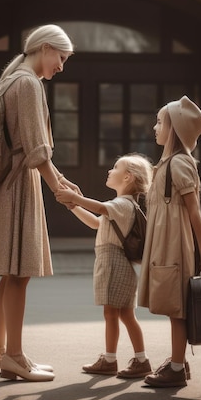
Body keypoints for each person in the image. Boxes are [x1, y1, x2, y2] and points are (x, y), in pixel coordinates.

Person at [0, 24, 80, 382]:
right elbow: (36, 149)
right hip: (20, 185)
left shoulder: (8, 80)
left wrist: (59, 177)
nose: (61, 67)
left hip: (4, 184)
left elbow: (29, 147)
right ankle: (15, 357)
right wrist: (58, 190)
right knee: (19, 274)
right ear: (46, 48)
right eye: (61, 58)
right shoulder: (29, 83)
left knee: (10, 272)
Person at [138, 96, 201, 388]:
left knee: (176, 307)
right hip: (164, 242)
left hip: (175, 243)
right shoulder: (167, 164)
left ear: (173, 130)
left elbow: (194, 212)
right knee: (173, 303)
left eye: (160, 122)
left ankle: (175, 368)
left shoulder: (180, 164)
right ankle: (177, 361)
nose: (155, 126)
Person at [55, 153, 154, 379]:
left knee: (111, 313)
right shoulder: (124, 207)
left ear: (127, 177)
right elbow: (96, 222)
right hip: (121, 265)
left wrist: (76, 198)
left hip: (113, 262)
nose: (110, 170)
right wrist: (73, 206)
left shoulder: (121, 204)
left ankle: (111, 359)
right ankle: (141, 359)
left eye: (115, 167)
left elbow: (100, 209)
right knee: (126, 315)